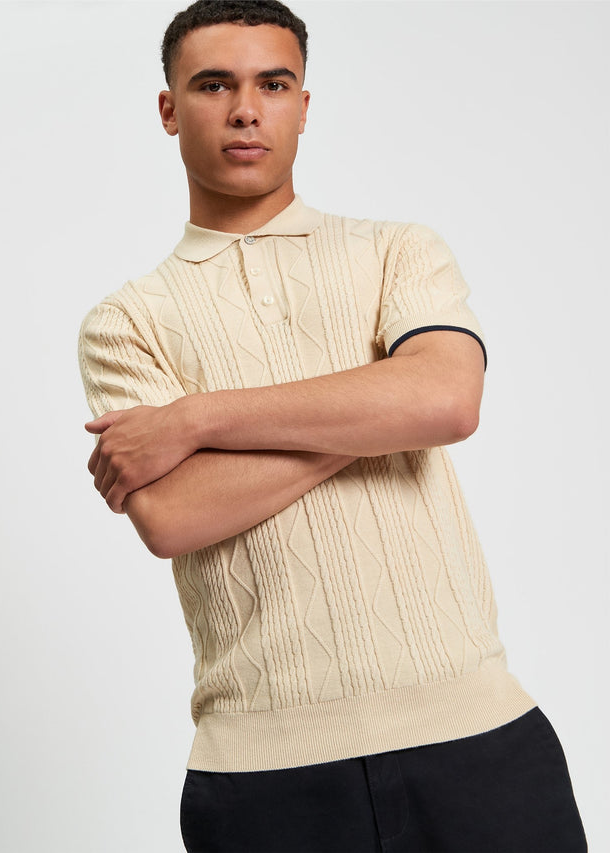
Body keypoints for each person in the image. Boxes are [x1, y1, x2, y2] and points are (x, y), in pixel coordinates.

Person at [79, 2, 587, 850]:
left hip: (481, 743)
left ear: (304, 106)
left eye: (273, 84)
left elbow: (447, 401)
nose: (247, 110)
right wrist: (382, 406)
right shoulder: (126, 320)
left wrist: (197, 419)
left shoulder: (397, 251)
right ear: (169, 109)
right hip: (264, 777)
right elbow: (173, 514)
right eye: (215, 85)